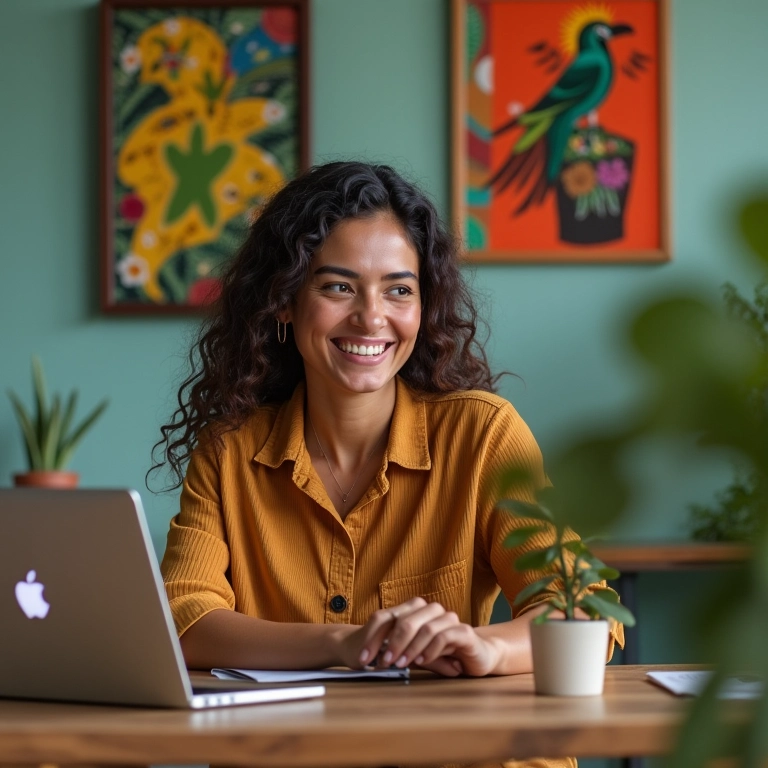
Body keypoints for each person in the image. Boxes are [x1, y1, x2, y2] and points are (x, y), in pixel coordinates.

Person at [154, 160, 622, 686]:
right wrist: (344, 641)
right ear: (283, 301)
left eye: (399, 290)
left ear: (424, 306)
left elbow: (584, 610)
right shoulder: (229, 451)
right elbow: (183, 619)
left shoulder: (483, 434)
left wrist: (485, 647)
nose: (372, 318)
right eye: (338, 287)